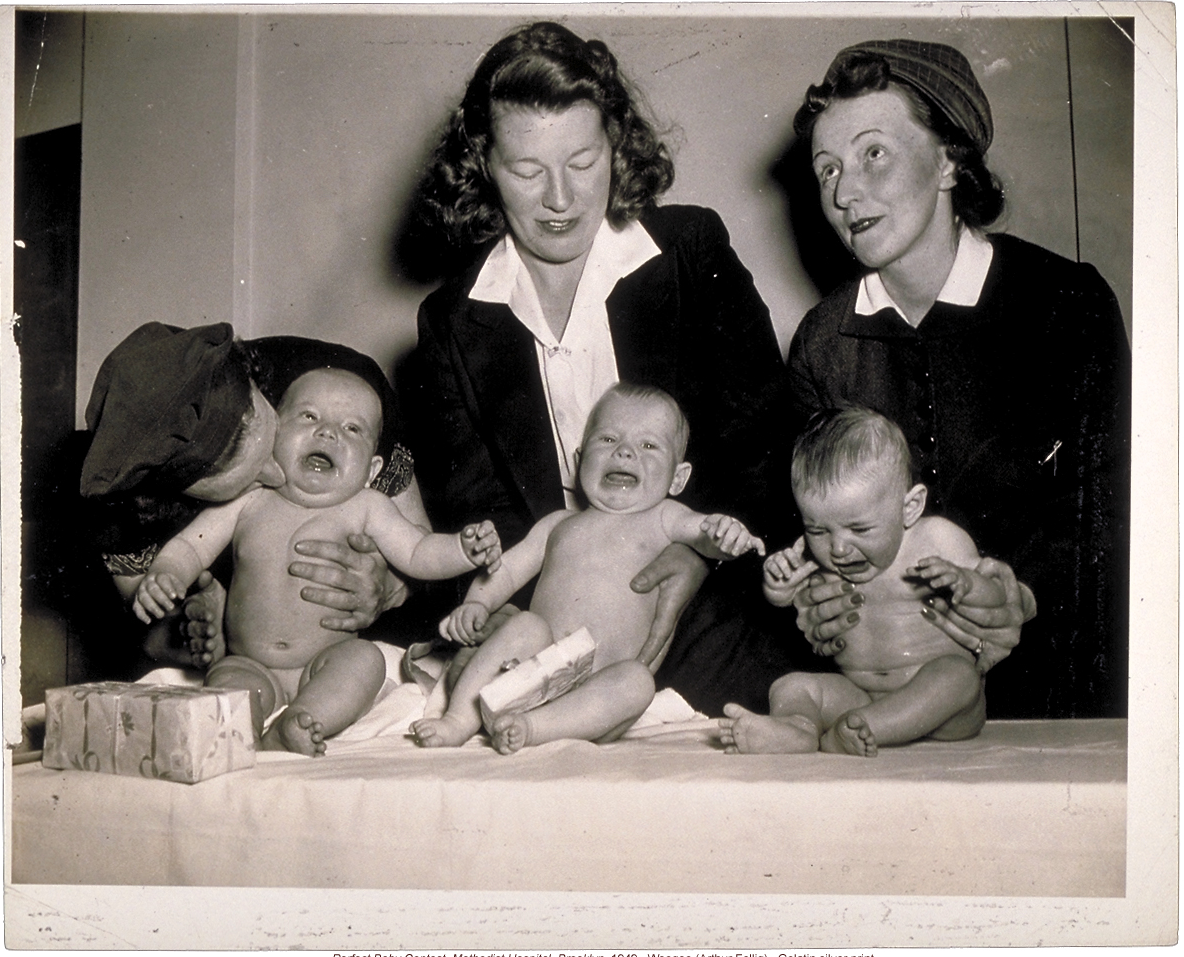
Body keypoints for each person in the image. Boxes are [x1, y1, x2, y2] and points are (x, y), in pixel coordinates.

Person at [401, 21, 806, 717]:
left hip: (707, 605)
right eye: (526, 169)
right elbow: (481, 517)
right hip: (544, 621)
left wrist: (694, 553)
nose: (559, 198)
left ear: (617, 147)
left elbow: (764, 445)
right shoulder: (450, 321)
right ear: (481, 166)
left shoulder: (689, 250)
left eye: (582, 161)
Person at [786, 39, 1130, 718]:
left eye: (871, 153)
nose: (844, 192)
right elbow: (820, 536)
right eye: (826, 169)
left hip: (1058, 682)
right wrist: (819, 597)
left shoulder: (1065, 303)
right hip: (887, 701)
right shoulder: (822, 342)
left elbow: (1113, 511)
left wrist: (1022, 594)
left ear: (947, 160)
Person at [131, 368, 502, 755]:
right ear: (272, 436)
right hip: (249, 662)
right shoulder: (248, 499)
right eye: (308, 416)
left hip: (325, 661)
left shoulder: (368, 507)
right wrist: (166, 573)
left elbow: (418, 553)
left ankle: (303, 721)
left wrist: (462, 550)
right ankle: (240, 731)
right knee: (230, 687)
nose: (328, 433)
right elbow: (191, 547)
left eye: (352, 429)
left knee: (365, 661)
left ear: (371, 471)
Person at [412, 384, 764, 753]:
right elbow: (509, 570)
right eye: (608, 438)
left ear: (678, 478)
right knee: (526, 625)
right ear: (579, 461)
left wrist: (726, 533)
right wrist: (477, 605)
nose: (625, 451)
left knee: (638, 681)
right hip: (526, 670)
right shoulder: (559, 523)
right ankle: (457, 720)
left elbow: (704, 532)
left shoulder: (665, 518)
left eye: (648, 446)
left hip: (598, 694)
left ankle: (532, 728)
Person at [77, 322, 426, 675]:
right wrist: (194, 632)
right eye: (253, 477)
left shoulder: (341, 387)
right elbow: (147, 634)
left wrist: (388, 587)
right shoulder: (119, 512)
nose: (278, 477)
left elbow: (422, 559)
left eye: (270, 439)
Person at [721, 408, 1002, 756]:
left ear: (910, 507)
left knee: (958, 675)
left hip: (945, 712)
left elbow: (996, 597)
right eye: (817, 529)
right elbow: (787, 604)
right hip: (859, 697)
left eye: (860, 529)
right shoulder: (816, 556)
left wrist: (968, 584)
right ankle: (799, 727)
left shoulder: (938, 540)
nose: (837, 548)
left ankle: (864, 729)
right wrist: (779, 586)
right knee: (793, 684)